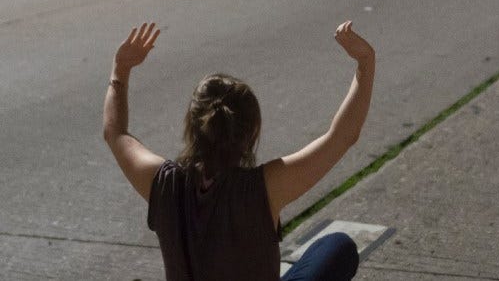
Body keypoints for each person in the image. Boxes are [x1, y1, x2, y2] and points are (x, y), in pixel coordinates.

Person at [102, 21, 373, 280]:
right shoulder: (262, 189)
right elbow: (343, 136)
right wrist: (365, 63)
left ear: (193, 127)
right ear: (252, 131)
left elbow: (115, 133)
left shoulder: (163, 183)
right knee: (338, 247)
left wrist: (121, 68)